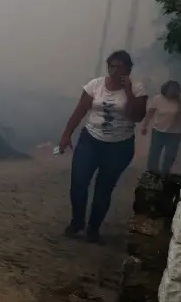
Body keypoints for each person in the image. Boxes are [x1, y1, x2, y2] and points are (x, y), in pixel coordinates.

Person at [58, 50, 148, 243]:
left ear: (128, 69)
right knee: (79, 182)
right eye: (111, 66)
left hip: (119, 145)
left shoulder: (138, 89)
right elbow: (80, 110)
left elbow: (138, 117)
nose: (114, 71)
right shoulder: (95, 85)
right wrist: (67, 134)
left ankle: (93, 227)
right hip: (91, 138)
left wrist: (129, 92)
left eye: (119, 67)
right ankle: (77, 222)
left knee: (104, 188)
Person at [141, 80, 181, 174]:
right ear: (166, 90)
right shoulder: (158, 99)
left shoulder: (180, 100)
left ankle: (165, 174)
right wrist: (145, 126)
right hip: (158, 131)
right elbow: (150, 113)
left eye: (175, 91)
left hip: (174, 133)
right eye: (171, 90)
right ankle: (151, 174)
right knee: (154, 154)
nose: (172, 93)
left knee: (170, 156)